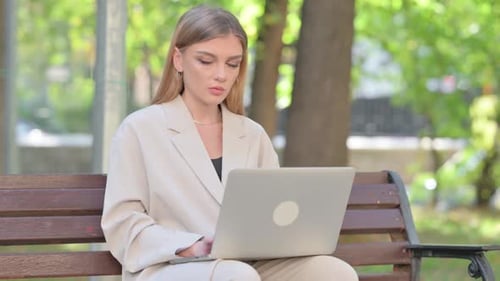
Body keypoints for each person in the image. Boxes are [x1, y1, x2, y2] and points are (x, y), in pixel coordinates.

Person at [101, 4, 358, 281]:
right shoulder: (140, 129)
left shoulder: (252, 135)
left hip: (248, 265)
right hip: (171, 267)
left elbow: (273, 213)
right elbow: (123, 223)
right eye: (206, 61)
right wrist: (190, 245)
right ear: (178, 59)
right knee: (237, 276)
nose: (221, 75)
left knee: (334, 272)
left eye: (232, 63)